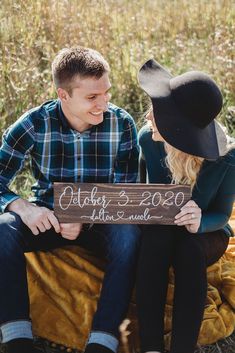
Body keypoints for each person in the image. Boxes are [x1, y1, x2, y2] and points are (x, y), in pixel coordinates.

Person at [0, 46, 141, 353]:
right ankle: (17, 338)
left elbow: (127, 193)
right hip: (48, 215)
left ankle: (103, 341)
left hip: (102, 217)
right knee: (3, 227)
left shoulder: (122, 123)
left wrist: (85, 215)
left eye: (106, 92)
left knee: (129, 232)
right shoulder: (33, 123)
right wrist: (22, 206)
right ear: (63, 96)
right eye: (92, 97)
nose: (103, 102)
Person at [136, 59, 235, 353]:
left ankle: (182, 347)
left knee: (189, 250)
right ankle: (151, 346)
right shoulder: (148, 141)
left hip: (206, 232)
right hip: (163, 227)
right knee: (154, 242)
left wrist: (201, 220)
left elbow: (222, 213)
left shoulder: (226, 159)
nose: (150, 117)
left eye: (160, 114)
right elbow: (143, 196)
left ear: (179, 128)